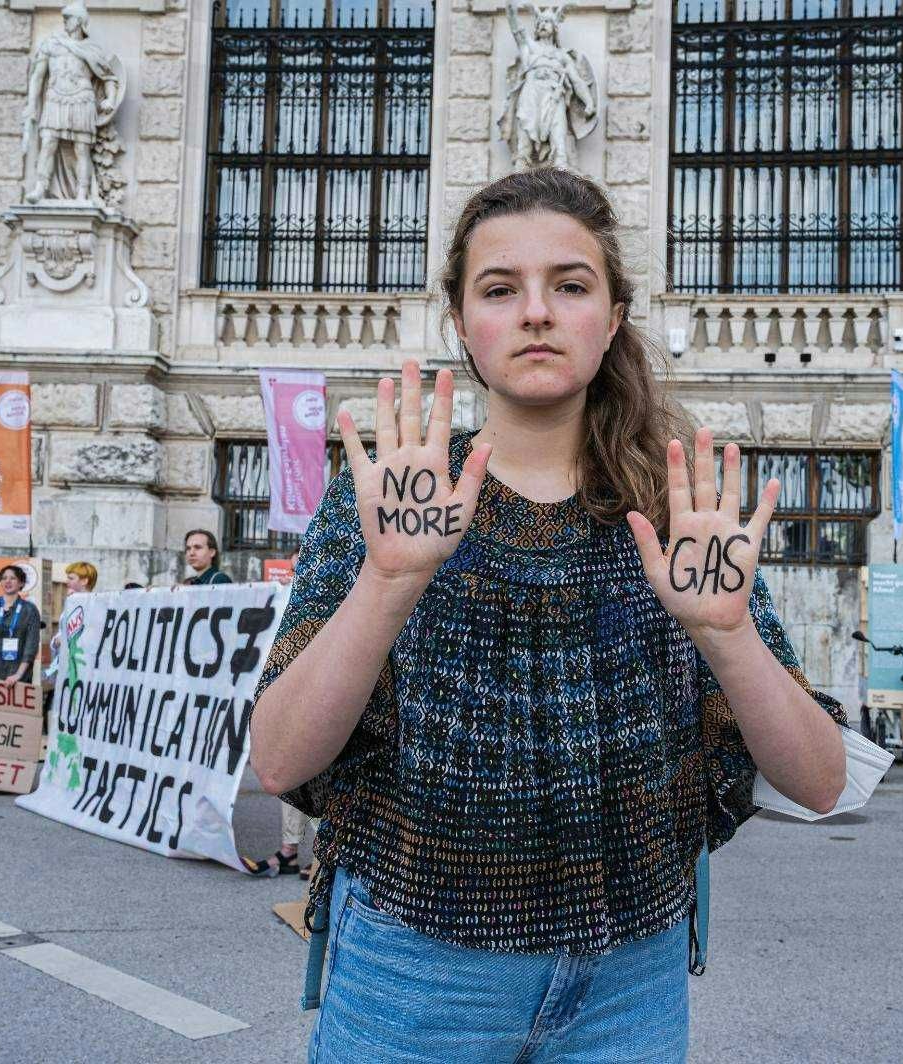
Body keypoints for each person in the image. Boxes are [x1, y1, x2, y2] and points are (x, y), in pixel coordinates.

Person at [248, 168, 848, 1060]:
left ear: (611, 317)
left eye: (569, 286)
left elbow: (820, 781)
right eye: (500, 290)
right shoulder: (389, 497)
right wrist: (389, 579)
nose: (535, 313)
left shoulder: (677, 507)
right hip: (415, 977)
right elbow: (279, 759)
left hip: (629, 985)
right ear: (461, 323)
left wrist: (724, 633)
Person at [245, 549, 315, 881]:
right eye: (293, 568)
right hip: (291, 702)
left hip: (317, 702)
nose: (295, 574)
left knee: (318, 777)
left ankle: (323, 856)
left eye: (302, 566)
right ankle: (288, 851)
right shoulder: (286, 603)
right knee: (291, 778)